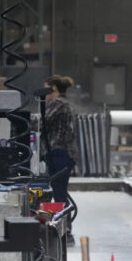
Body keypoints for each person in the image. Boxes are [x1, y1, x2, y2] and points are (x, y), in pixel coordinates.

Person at [43, 75, 79, 205]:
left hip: (59, 153)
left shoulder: (58, 103)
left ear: (54, 88)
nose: (44, 94)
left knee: (59, 193)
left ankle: (65, 223)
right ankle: (65, 223)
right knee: (60, 192)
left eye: (46, 89)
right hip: (64, 154)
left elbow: (43, 122)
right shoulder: (65, 103)